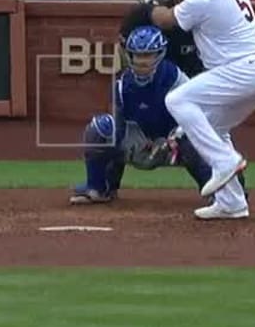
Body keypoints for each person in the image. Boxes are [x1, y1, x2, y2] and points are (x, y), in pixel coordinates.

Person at [146, 0, 255, 219]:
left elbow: (166, 19)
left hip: (243, 69)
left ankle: (225, 161)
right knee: (212, 129)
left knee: (177, 100)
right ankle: (233, 203)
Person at [70, 25, 215, 204]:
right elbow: (119, 127)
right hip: (141, 143)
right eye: (137, 55)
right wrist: (136, 144)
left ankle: (215, 192)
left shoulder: (176, 78)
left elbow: (198, 114)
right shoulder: (123, 86)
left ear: (159, 54)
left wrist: (174, 137)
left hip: (174, 144)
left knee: (196, 134)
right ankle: (100, 187)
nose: (141, 61)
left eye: (147, 55)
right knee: (101, 127)